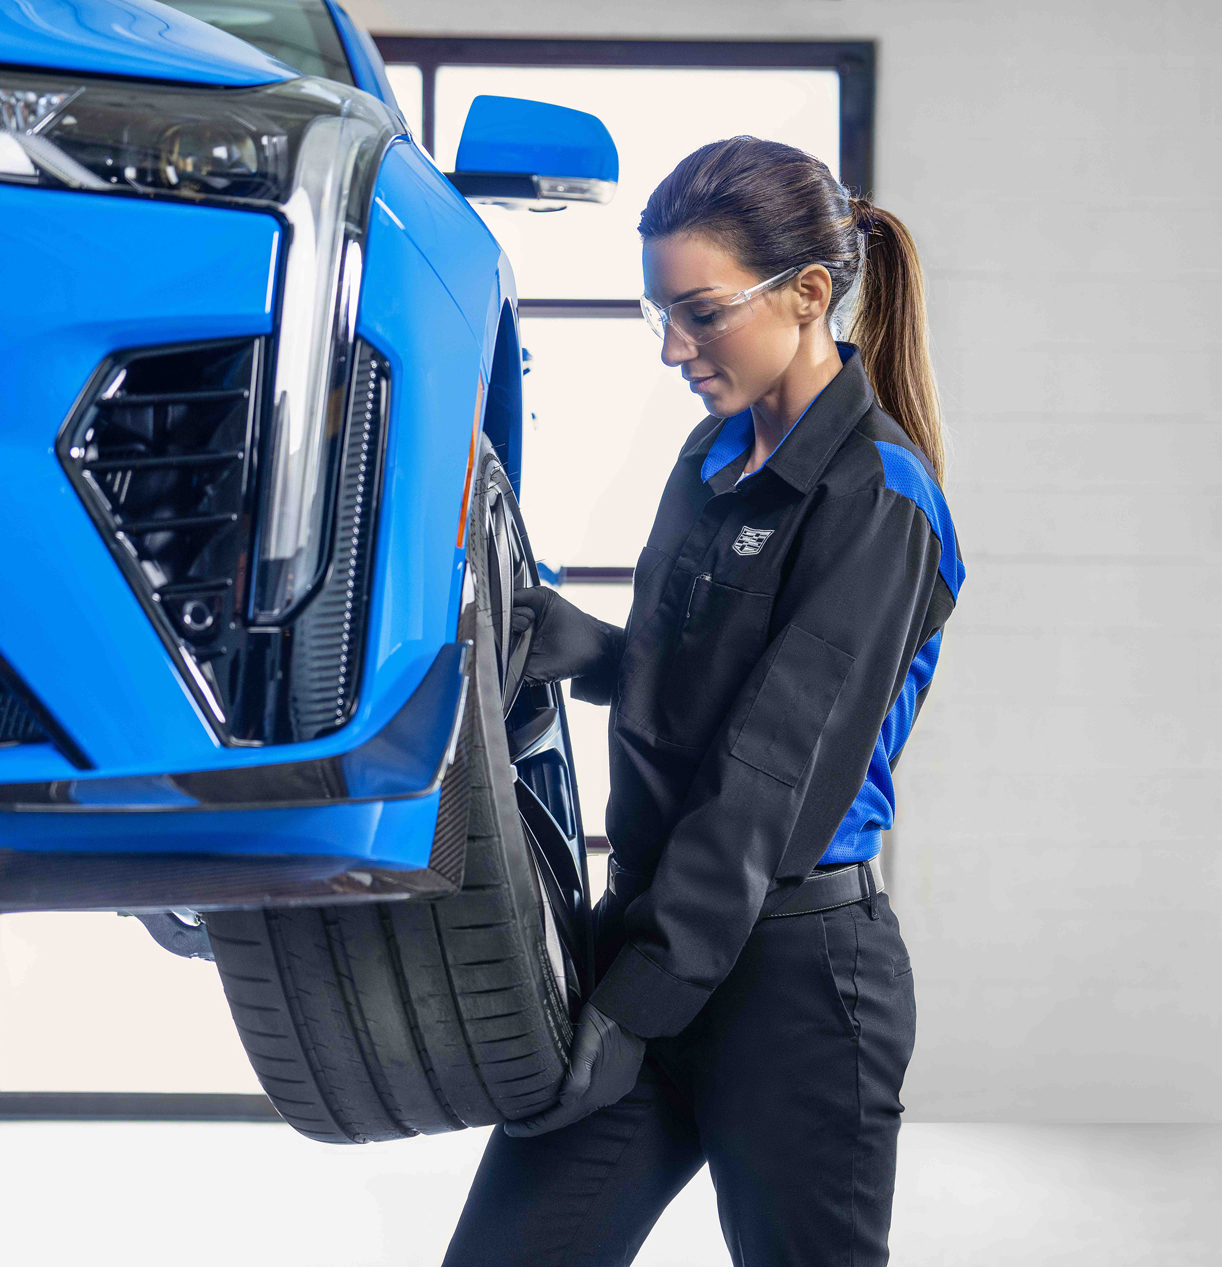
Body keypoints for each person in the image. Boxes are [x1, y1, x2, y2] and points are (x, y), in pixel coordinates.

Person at [443, 135, 964, 1267]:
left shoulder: (878, 497)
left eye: (702, 312)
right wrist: (591, 652)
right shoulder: (713, 455)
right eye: (659, 313)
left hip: (793, 982)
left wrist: (637, 1000)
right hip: (653, 934)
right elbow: (706, 690)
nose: (673, 347)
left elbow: (772, 773)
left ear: (809, 292)